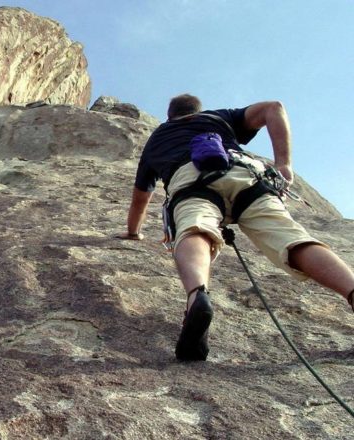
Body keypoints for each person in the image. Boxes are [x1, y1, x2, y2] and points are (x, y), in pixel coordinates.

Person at [120, 93, 354, 362]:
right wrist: (284, 164)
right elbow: (273, 108)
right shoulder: (219, 117)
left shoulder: (156, 140)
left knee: (195, 229)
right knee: (292, 238)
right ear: (196, 109)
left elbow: (140, 197)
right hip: (244, 175)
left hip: (191, 180)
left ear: (170, 115)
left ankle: (197, 296)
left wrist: (133, 232)